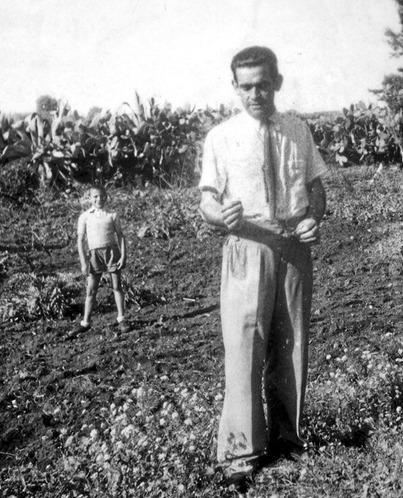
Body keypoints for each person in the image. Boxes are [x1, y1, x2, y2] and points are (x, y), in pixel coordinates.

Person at [199, 46, 328, 488]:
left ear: (277, 83)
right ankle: (240, 453)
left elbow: (316, 188)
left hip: (293, 248)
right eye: (247, 87)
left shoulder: (297, 129)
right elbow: (207, 201)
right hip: (248, 246)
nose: (256, 94)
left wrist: (313, 217)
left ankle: (288, 441)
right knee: (244, 349)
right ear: (236, 88)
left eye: (264, 85)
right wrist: (220, 216)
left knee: (291, 346)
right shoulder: (221, 137)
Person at [72, 184, 130, 335]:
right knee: (91, 289)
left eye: (102, 196)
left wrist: (123, 256)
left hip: (112, 253)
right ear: (89, 198)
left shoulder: (112, 215)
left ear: (106, 197)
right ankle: (85, 322)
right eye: (95, 196)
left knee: (116, 286)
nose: (99, 199)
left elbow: (120, 236)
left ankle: (122, 319)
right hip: (94, 255)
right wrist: (83, 262)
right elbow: (80, 240)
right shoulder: (85, 216)